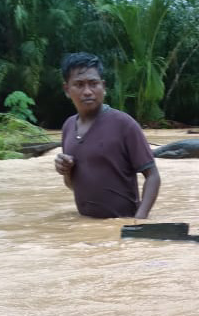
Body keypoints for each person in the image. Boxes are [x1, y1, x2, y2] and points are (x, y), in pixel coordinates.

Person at [54, 52, 160, 219]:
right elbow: (72, 185)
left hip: (121, 225)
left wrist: (139, 221)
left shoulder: (124, 124)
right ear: (67, 89)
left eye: (93, 83)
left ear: (103, 86)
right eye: (79, 85)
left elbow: (153, 176)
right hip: (86, 226)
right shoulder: (68, 127)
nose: (87, 91)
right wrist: (66, 171)